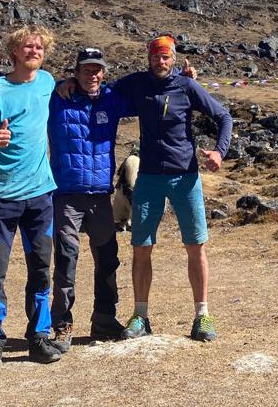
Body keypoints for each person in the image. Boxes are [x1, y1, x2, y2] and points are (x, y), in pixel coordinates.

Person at [58, 35, 232, 342]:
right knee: (141, 247)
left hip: (185, 177)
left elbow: (222, 116)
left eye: (166, 57)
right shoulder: (137, 83)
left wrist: (220, 151)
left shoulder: (188, 87)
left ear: (174, 59)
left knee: (195, 245)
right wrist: (67, 82)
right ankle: (140, 315)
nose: (160, 62)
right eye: (156, 57)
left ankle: (202, 315)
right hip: (149, 177)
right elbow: (100, 87)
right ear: (149, 58)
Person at [0, 25, 62, 375]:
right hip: (2, 196)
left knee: (41, 270)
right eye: (27, 47)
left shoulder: (48, 82)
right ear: (14, 51)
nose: (34, 51)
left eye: (39, 47)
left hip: (40, 195)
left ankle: (38, 336)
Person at [45, 47, 133, 353]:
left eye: (97, 70)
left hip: (100, 196)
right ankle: (61, 324)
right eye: (86, 70)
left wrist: (184, 79)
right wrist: (59, 82)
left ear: (103, 72)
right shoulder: (58, 98)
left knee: (108, 259)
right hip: (66, 194)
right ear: (76, 72)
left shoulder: (111, 98)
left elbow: (148, 90)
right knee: (66, 260)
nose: (92, 75)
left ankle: (105, 319)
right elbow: (28, 82)